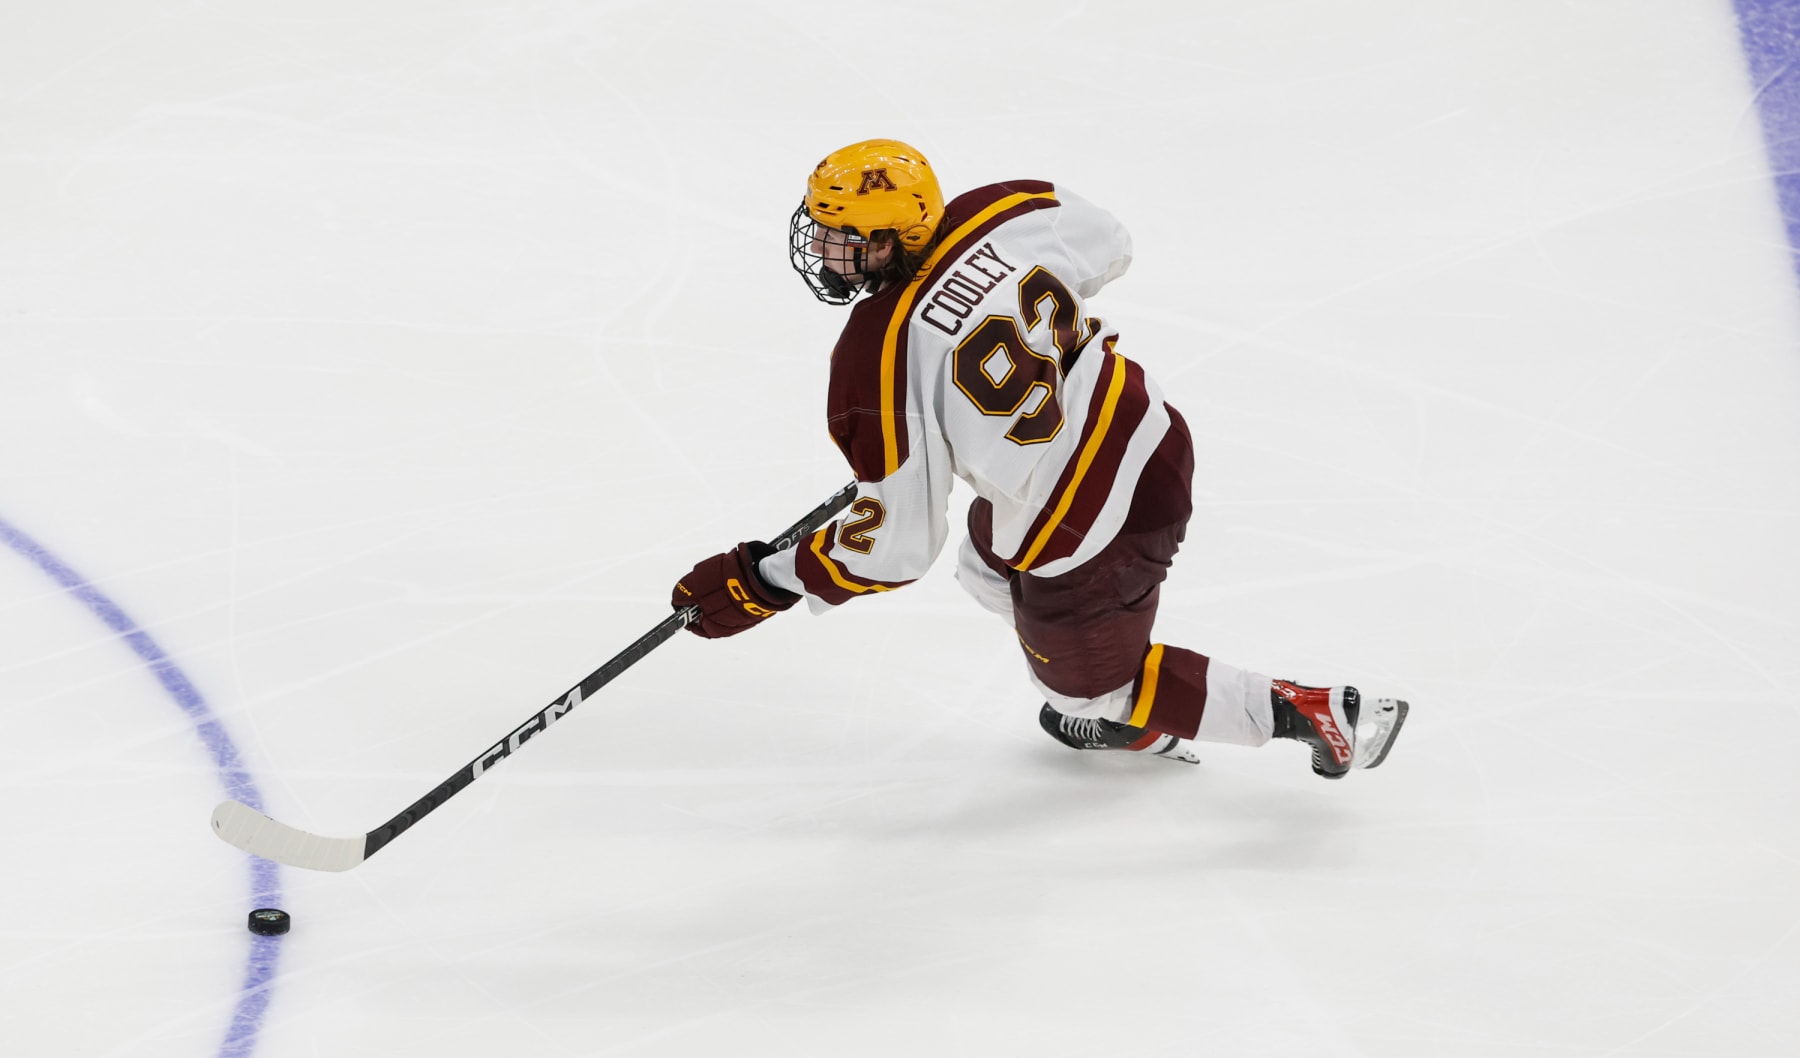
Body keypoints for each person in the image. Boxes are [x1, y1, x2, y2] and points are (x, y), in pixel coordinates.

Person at [670, 139, 1407, 777]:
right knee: (985, 566)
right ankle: (1102, 659)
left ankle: (1315, 710)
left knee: (1087, 693)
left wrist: (765, 579)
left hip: (1084, 528)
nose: (827, 251)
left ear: (893, 239)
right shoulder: (1004, 209)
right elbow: (1109, 241)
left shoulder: (874, 360)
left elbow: (894, 548)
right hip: (1146, 436)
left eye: (845, 237)